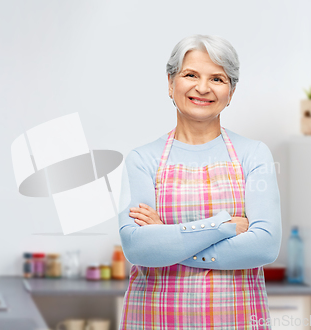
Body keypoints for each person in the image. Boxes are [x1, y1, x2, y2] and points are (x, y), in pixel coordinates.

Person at [117, 34, 281, 329]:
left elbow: (265, 247)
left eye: (217, 79)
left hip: (236, 319)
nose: (202, 88)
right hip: (154, 319)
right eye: (190, 74)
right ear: (170, 83)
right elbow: (138, 249)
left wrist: (167, 241)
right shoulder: (142, 159)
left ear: (230, 92)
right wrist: (223, 226)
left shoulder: (254, 155)